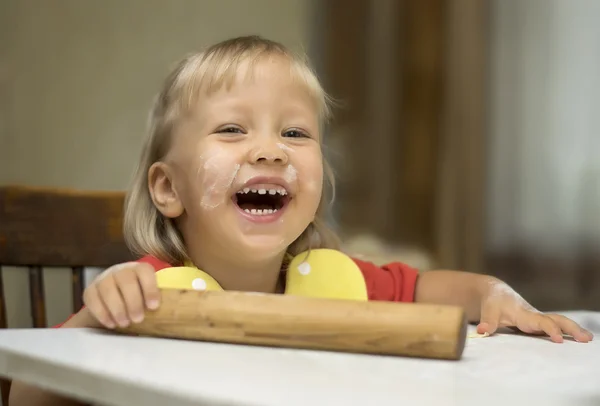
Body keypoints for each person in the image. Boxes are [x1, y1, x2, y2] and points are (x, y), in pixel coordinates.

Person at [9, 35, 593, 406]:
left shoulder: (334, 280)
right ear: (168, 187)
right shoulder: (146, 293)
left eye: (294, 133)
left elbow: (429, 289)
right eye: (233, 129)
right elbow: (29, 396)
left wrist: (494, 293)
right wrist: (97, 313)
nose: (272, 151)